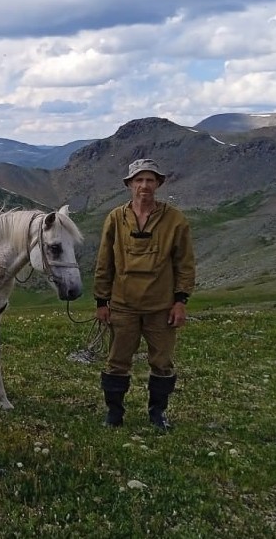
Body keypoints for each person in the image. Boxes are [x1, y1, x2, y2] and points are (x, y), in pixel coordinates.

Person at [93, 158, 196, 431]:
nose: (144, 186)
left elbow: (184, 263)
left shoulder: (175, 220)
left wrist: (180, 302)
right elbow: (105, 262)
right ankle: (114, 414)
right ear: (129, 185)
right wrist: (102, 301)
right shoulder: (116, 218)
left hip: (161, 307)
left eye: (150, 180)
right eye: (138, 180)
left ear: (159, 184)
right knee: (116, 362)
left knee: (162, 363)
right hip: (122, 305)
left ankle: (157, 414)